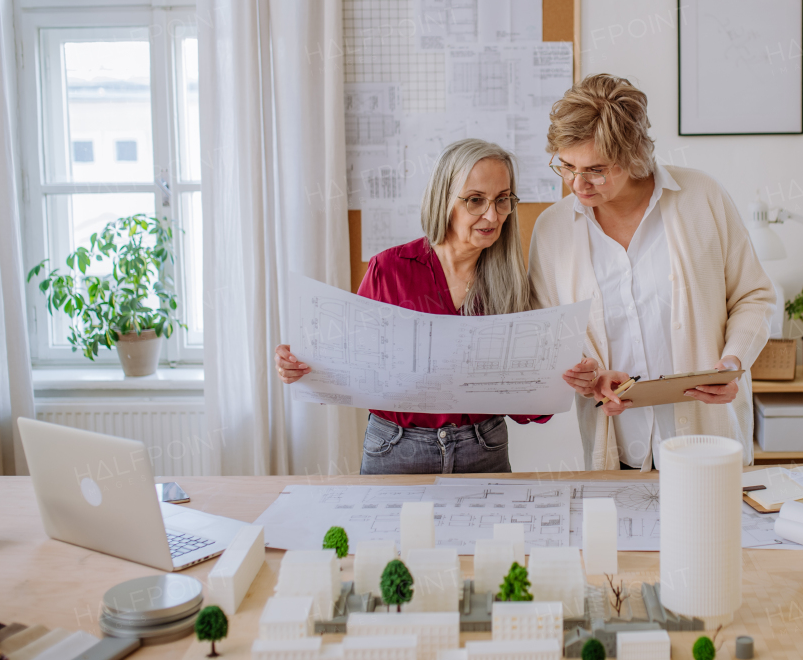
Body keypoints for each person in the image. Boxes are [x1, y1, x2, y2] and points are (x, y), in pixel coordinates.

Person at [528, 74, 777, 471]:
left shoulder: (702, 198)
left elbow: (754, 296)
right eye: (566, 166)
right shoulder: (552, 230)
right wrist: (587, 374)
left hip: (706, 441)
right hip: (617, 446)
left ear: (632, 155)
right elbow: (548, 332)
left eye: (595, 169)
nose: (577, 184)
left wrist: (734, 362)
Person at [275, 139, 546, 474]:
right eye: (476, 200)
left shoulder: (513, 283)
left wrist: (557, 381)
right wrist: (304, 368)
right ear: (444, 199)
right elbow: (345, 368)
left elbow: (526, 407)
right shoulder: (389, 270)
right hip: (396, 447)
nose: (492, 215)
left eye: (502, 200)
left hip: (483, 448)